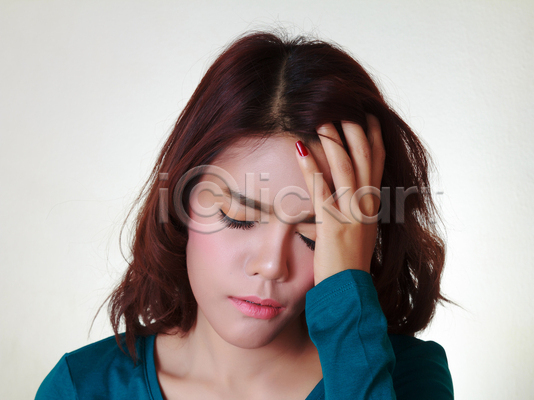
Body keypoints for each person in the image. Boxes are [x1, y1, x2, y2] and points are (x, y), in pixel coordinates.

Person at [36, 30, 453, 399]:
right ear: (180, 201)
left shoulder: (409, 378)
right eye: (238, 216)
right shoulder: (83, 387)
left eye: (315, 233)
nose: (271, 265)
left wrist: (348, 312)